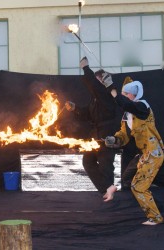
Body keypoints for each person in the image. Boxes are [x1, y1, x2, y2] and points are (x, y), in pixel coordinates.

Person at [105, 80, 164, 225]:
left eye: (125, 94)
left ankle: (156, 217)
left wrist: (110, 87)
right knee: (127, 179)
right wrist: (114, 139)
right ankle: (156, 206)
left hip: (153, 153)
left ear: (133, 95)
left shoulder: (142, 107)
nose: (123, 96)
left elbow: (127, 104)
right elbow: (124, 136)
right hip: (143, 154)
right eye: (123, 94)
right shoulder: (127, 116)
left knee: (137, 186)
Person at [65, 57, 120, 202]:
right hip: (95, 134)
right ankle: (106, 188)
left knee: (105, 163)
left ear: (102, 83)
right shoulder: (95, 99)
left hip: (107, 134)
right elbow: (87, 115)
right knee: (88, 161)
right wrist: (75, 108)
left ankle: (109, 190)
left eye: (97, 82)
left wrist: (85, 68)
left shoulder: (107, 97)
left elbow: (94, 85)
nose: (93, 86)